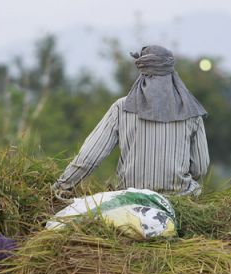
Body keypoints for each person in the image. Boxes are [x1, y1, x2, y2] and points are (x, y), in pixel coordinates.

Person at [52, 45, 210, 196]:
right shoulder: (191, 111)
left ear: (143, 74)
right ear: (171, 74)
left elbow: (88, 158)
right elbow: (201, 168)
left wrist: (60, 187)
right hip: (178, 197)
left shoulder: (122, 108)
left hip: (129, 196)